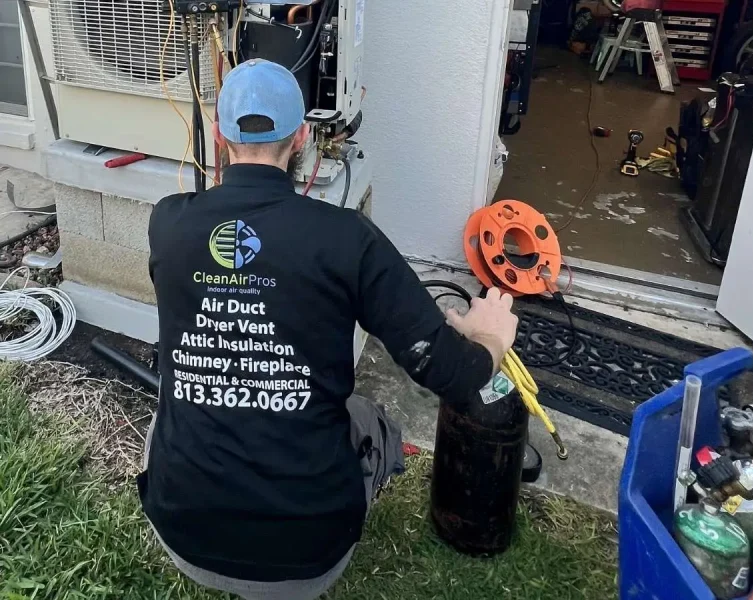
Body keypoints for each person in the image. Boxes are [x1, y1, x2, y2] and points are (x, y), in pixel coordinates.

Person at [140, 58, 518, 600]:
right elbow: (455, 374)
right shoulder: (346, 240)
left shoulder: (169, 223)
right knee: (370, 421)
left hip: (183, 533)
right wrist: (490, 338)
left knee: (165, 421)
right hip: (310, 555)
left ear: (221, 138)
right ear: (300, 138)